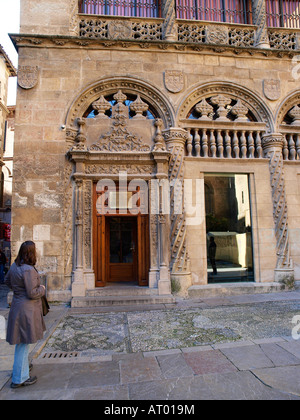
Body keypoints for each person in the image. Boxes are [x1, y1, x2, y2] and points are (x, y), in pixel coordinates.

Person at [5, 241, 46, 389]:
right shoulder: (28, 270)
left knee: (22, 342)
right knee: (23, 343)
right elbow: (32, 293)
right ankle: (20, 378)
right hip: (26, 310)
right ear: (31, 253)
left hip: (18, 306)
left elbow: (7, 280)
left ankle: (21, 369)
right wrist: (42, 289)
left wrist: (18, 290)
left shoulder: (15, 266)